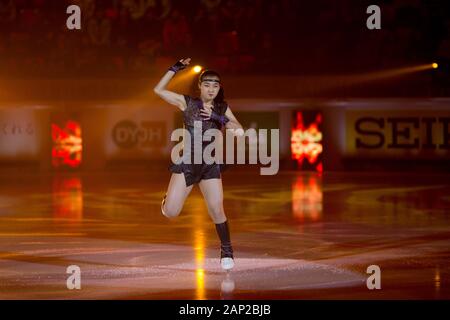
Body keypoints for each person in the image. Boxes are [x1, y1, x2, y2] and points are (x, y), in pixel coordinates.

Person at [153, 58, 243, 270]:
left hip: (209, 165)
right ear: (200, 86)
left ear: (219, 88)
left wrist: (218, 118)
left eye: (215, 85)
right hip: (187, 163)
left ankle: (227, 249)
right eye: (207, 85)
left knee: (216, 209)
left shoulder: (222, 108)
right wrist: (173, 69)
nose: (211, 89)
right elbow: (158, 90)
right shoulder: (188, 103)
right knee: (172, 212)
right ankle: (167, 200)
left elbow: (239, 130)